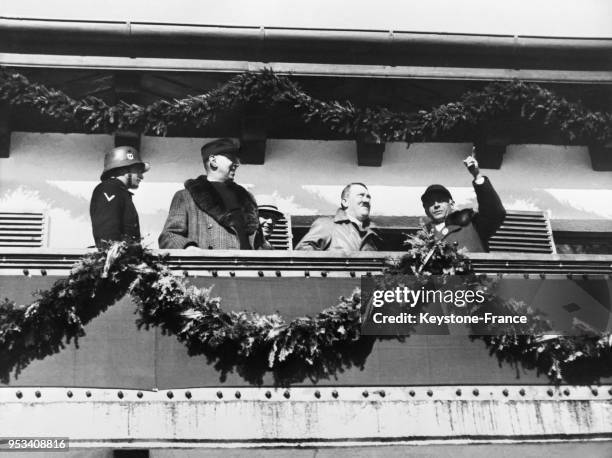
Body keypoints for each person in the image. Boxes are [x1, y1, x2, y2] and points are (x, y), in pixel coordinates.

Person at [158, 138, 266, 250]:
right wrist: (189, 248)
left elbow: (259, 243)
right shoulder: (186, 197)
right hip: (210, 265)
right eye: (232, 158)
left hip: (248, 265)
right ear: (213, 161)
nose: (237, 163)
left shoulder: (247, 198)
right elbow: (169, 236)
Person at [420, 154, 505, 252]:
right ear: (426, 210)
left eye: (440, 200)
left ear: (451, 203)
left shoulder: (471, 223)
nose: (436, 205)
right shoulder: (422, 237)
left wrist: (477, 175)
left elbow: (495, 213)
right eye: (430, 202)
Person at [90, 146, 150, 248]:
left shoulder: (119, 191)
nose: (141, 176)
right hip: (116, 260)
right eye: (138, 171)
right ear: (124, 169)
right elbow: (108, 236)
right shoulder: (109, 188)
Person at [295, 182, 379, 251]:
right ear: (345, 202)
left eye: (368, 197)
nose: (366, 200)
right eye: (361, 195)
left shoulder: (375, 234)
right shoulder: (327, 225)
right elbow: (303, 252)